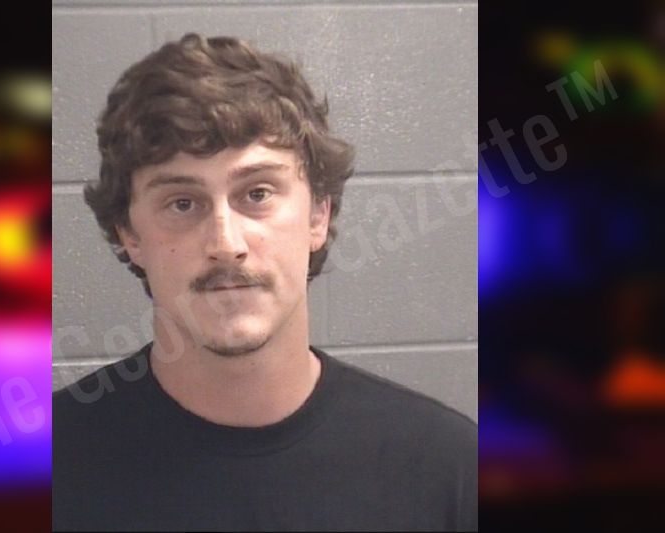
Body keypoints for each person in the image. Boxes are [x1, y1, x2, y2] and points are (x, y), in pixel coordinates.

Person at [53, 33, 477, 531]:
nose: (225, 242)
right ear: (130, 234)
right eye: (182, 203)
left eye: (257, 193)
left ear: (318, 215)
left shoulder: (449, 470)